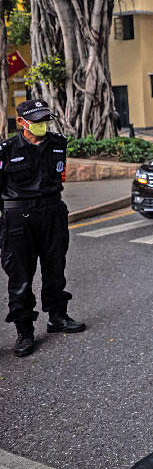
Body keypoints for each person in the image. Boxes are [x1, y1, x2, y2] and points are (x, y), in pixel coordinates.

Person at [1, 99, 85, 358]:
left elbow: (59, 177)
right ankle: (24, 331)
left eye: (45, 119)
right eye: (36, 121)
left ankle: (57, 317)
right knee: (20, 276)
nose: (42, 125)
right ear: (22, 123)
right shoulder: (6, 149)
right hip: (18, 216)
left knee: (55, 267)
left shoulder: (58, 144)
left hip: (52, 211)